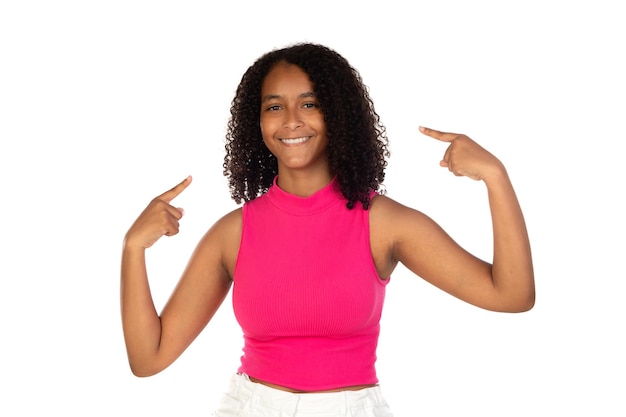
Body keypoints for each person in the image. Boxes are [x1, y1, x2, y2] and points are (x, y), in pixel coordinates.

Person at [121, 43, 535, 416]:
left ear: (337, 114)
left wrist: (495, 177)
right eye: (274, 106)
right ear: (257, 122)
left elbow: (512, 295)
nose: (291, 121)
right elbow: (149, 358)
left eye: (309, 103)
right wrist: (133, 248)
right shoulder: (232, 233)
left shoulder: (382, 222)